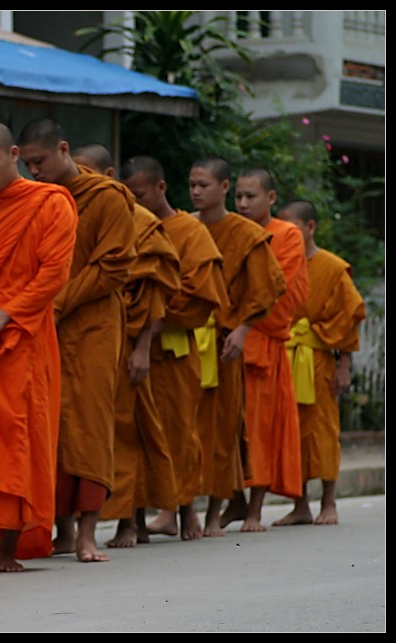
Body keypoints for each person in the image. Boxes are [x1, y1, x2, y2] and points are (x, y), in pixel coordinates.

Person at [16, 121, 135, 562]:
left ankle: (87, 533)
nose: (34, 171)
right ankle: (61, 529)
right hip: (47, 325)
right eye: (27, 164)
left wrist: (59, 301)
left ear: (64, 150)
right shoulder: (37, 201)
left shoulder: (107, 198)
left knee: (90, 425)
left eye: (40, 161)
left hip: (95, 326)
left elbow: (114, 266)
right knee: (52, 426)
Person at [0, 120, 77, 571]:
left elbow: (53, 273)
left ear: (13, 154)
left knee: (15, 437)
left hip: (23, 339)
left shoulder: (50, 202)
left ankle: (9, 547)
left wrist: (4, 314)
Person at [64, 143, 182, 549]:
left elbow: (156, 290)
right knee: (67, 431)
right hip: (66, 334)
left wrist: (142, 347)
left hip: (119, 337)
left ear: (107, 175)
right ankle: (64, 527)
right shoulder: (60, 204)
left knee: (122, 432)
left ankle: (127, 523)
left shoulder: (142, 222)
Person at [120, 155, 229, 541]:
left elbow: (199, 292)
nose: (134, 202)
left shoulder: (190, 231)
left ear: (161, 188)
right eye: (128, 195)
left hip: (175, 347)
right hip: (129, 343)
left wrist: (153, 320)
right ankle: (132, 520)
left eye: (140, 194)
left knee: (180, 432)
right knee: (131, 433)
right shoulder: (127, 225)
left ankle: (184, 510)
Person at [188, 157, 287, 537]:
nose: (196, 192)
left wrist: (243, 329)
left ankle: (213, 512)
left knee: (222, 428)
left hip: (224, 340)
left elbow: (268, 287)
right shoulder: (184, 228)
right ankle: (180, 511)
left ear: (224, 187)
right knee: (184, 426)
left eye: (204, 185)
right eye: (192, 185)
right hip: (187, 341)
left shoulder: (246, 234)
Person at [218, 168, 309, 532]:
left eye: (250, 197)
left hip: (260, 344)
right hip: (224, 340)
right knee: (226, 426)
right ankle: (233, 501)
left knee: (260, 427)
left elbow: (281, 293)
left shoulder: (286, 235)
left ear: (271, 198)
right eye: (238, 196)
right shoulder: (228, 231)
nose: (242, 203)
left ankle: (255, 507)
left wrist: (241, 319)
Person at [274, 199, 366, 526]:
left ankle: (329, 502)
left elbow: (349, 317)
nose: (285, 234)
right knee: (292, 432)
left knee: (323, 431)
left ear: (310, 227)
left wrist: (344, 366)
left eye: (292, 227)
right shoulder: (281, 263)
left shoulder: (332, 267)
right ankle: (300, 505)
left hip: (319, 360)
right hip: (285, 357)